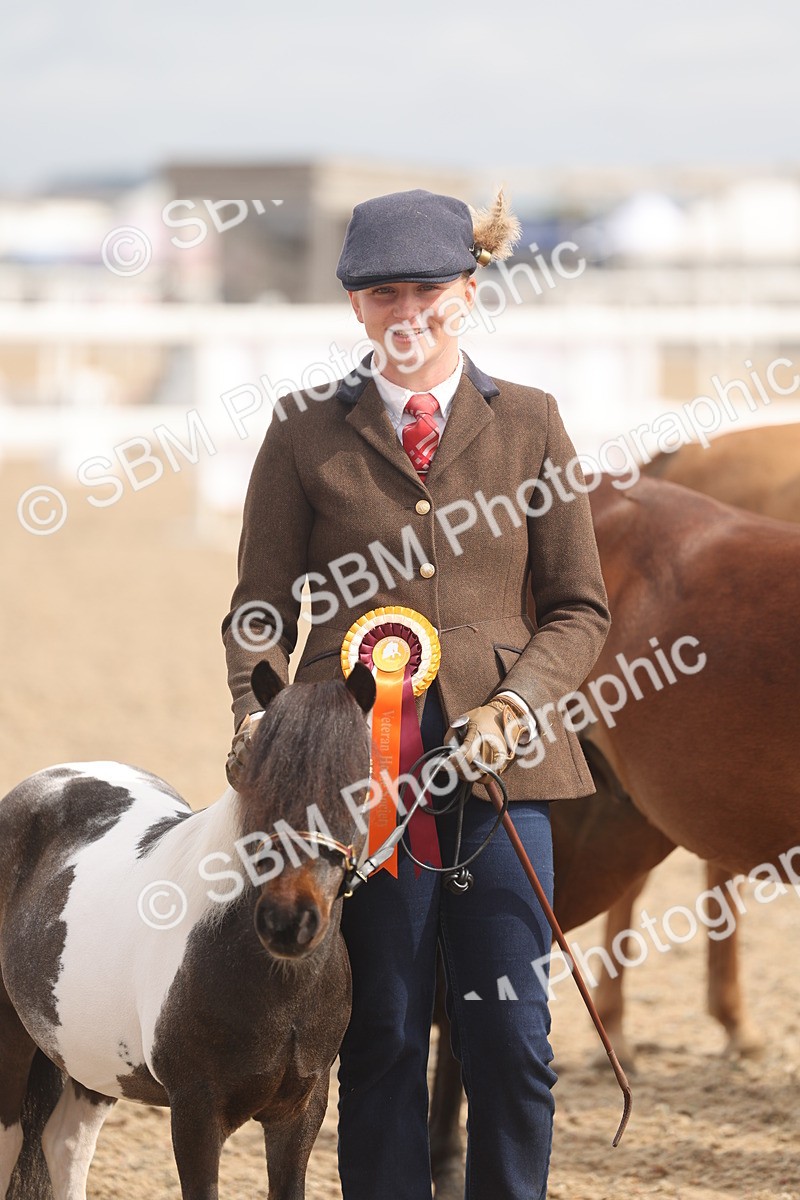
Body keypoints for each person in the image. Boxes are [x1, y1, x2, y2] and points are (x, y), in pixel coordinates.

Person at [222, 188, 610, 1200]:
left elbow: (578, 609)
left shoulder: (529, 422)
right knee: (383, 1030)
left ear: (467, 293)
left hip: (503, 774)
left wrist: (515, 705)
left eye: (426, 289)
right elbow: (260, 605)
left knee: (511, 1037)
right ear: (355, 307)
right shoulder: (303, 432)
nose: (406, 311)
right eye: (380, 292)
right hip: (351, 780)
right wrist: (253, 714)